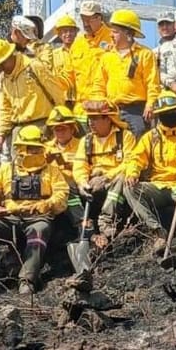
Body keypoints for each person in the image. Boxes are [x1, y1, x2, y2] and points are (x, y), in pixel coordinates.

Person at [0, 124, 70, 295]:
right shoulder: (4, 171)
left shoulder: (52, 171)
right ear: (20, 148)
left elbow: (62, 196)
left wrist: (45, 205)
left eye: (37, 148)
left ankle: (27, 279)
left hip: (38, 218)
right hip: (10, 218)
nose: (35, 152)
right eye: (31, 148)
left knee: (40, 230)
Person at [123, 94, 176, 256]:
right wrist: (132, 173)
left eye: (174, 112)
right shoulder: (150, 137)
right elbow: (136, 159)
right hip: (158, 187)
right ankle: (158, 233)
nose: (171, 115)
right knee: (130, 188)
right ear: (159, 116)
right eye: (166, 113)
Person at [0, 37, 69, 152]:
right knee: (18, 162)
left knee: (43, 160)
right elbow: (5, 107)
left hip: (42, 125)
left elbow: (57, 93)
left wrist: (60, 121)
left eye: (2, 63)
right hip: (19, 129)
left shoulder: (34, 67)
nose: (0, 67)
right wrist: (1, 134)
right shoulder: (3, 78)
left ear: (11, 55)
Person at [73, 100, 136, 244]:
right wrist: (82, 182)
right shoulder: (86, 140)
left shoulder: (125, 137)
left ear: (108, 119)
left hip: (114, 183)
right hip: (93, 184)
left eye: (95, 118)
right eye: (89, 118)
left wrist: (106, 177)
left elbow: (130, 162)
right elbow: (79, 165)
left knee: (122, 177)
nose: (90, 122)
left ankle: (106, 221)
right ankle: (84, 225)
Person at [98, 9, 160, 137]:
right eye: (111, 31)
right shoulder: (106, 56)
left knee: (139, 144)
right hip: (111, 111)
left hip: (137, 112)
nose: (111, 35)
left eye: (115, 32)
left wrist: (150, 105)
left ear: (128, 34)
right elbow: (99, 85)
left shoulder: (145, 54)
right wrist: (100, 104)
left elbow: (152, 83)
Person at [45, 104, 85, 230]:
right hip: (51, 185)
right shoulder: (46, 147)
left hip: (73, 184)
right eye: (57, 129)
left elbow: (87, 166)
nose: (60, 132)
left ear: (72, 129)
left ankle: (83, 225)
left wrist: (69, 165)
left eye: (63, 129)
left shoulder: (82, 144)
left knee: (67, 188)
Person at [53, 14, 80, 104]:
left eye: (71, 31)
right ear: (59, 34)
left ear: (76, 33)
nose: (68, 34)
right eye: (65, 31)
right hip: (61, 99)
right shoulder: (53, 55)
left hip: (80, 99)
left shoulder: (83, 52)